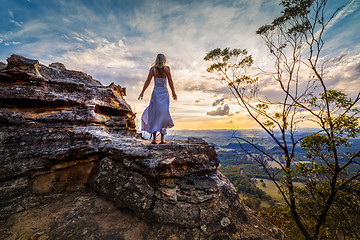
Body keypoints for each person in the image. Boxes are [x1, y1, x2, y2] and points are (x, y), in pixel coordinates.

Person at [138, 53, 177, 144]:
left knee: (154, 115)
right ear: (164, 60)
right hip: (164, 94)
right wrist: (173, 92)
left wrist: (142, 91)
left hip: (156, 94)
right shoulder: (166, 69)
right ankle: (162, 139)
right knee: (163, 114)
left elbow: (147, 81)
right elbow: (170, 80)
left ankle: (154, 139)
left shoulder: (153, 69)